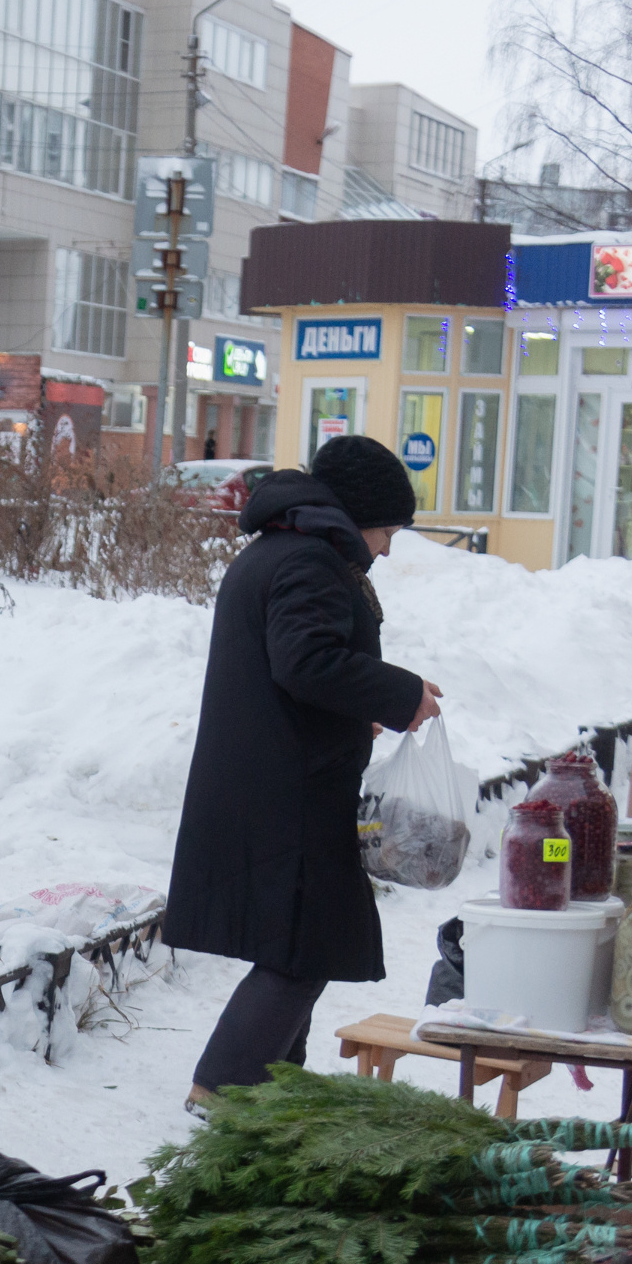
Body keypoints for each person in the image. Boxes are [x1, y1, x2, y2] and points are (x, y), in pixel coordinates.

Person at [162, 435, 442, 1101]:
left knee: (300, 946)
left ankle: (273, 1095)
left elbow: (292, 673)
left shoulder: (287, 552)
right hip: (286, 789)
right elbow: (305, 662)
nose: (387, 548)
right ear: (360, 514)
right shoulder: (309, 562)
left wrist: (357, 714)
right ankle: (224, 1090)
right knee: (303, 949)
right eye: (387, 531)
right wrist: (400, 696)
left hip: (280, 775)